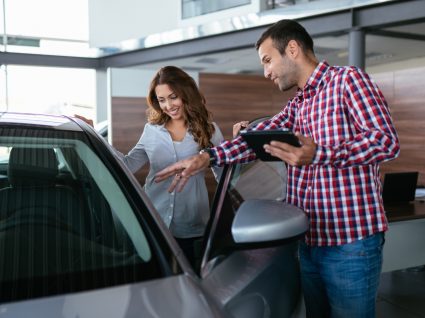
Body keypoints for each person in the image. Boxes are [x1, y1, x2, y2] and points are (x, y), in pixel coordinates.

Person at [154, 20, 400, 317]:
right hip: (310, 241)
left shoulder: (348, 81)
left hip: (350, 244)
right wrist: (206, 157)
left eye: (268, 61)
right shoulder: (298, 103)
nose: (266, 72)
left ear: (292, 49)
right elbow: (255, 140)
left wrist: (320, 154)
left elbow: (386, 142)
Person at [78, 66, 224, 268]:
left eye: (173, 97)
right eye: (161, 100)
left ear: (186, 94)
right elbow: (127, 165)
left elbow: (224, 175)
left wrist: (234, 148)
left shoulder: (210, 130)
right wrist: (94, 136)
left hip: (192, 225)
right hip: (154, 220)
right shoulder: (151, 130)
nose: (168, 105)